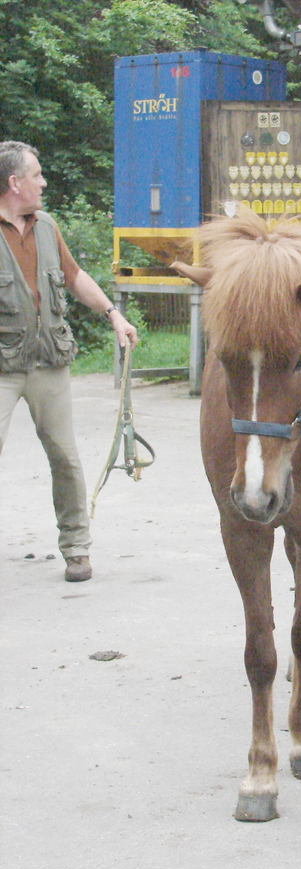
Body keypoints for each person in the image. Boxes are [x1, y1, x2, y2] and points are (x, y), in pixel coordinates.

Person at [0, 141, 137, 582]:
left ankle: (77, 548)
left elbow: (74, 277)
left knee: (65, 457)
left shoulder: (47, 227)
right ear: (13, 182)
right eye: (36, 174)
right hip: (2, 368)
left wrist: (113, 315)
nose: (43, 182)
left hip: (48, 362)